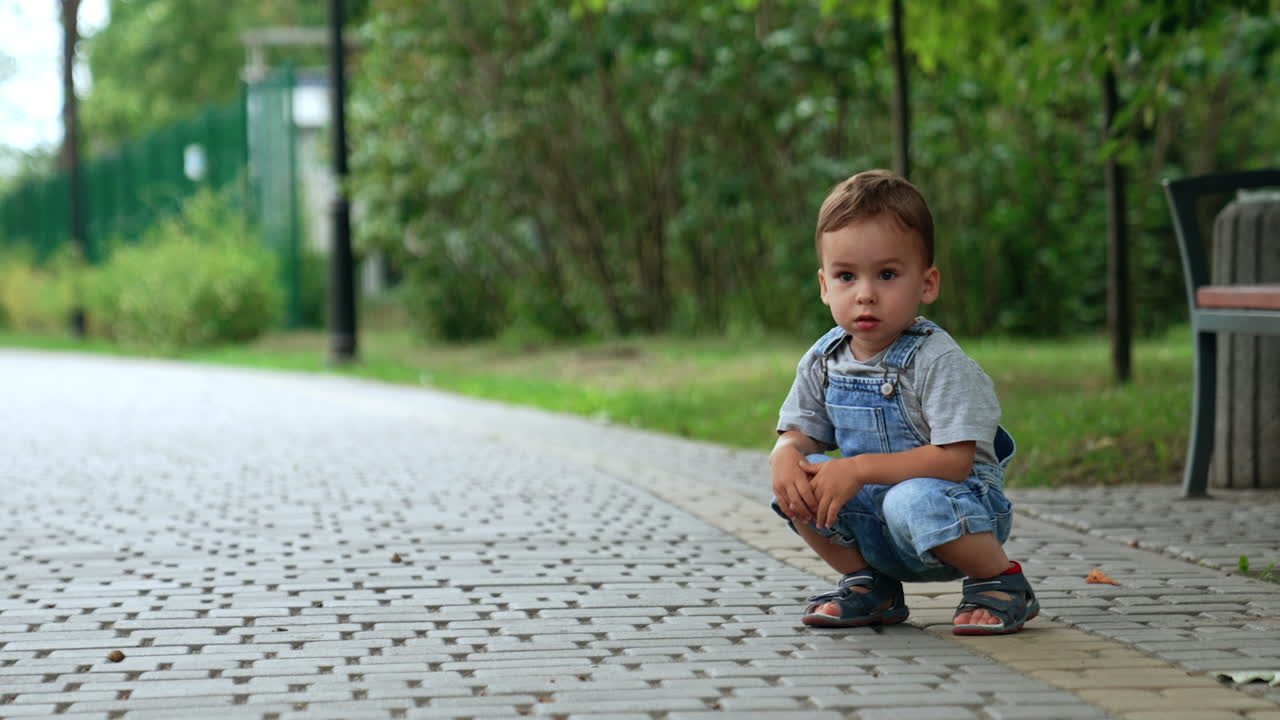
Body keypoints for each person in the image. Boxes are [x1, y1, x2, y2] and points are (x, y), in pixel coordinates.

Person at [769, 169, 1038, 635]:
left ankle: (1000, 582)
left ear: (927, 284)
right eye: (846, 276)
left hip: (957, 512)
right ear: (824, 286)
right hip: (877, 522)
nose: (866, 293)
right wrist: (784, 454)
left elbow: (955, 462)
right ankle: (870, 585)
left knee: (908, 499)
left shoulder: (937, 361)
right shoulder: (824, 358)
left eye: (887, 275)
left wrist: (856, 469)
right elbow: (800, 430)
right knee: (799, 483)